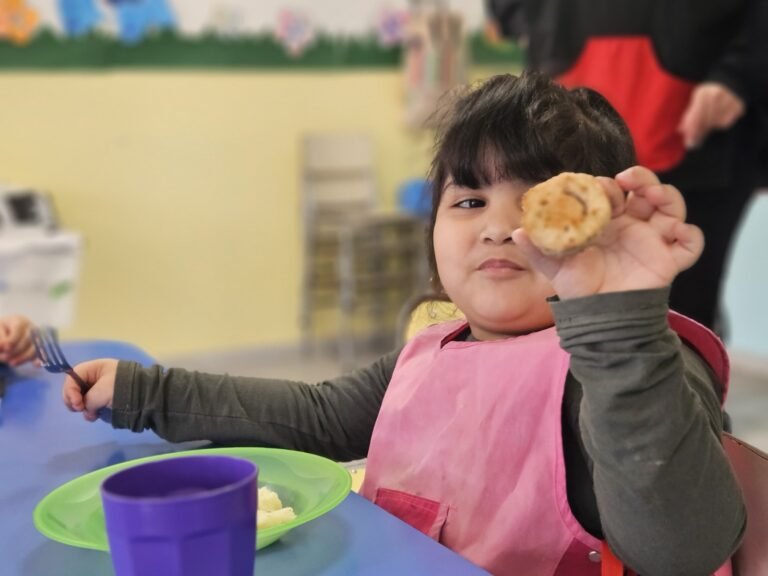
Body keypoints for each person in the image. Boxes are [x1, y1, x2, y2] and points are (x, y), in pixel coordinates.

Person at [62, 73, 745, 576]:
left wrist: (617, 322)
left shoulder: (624, 364)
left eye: (536, 201)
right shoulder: (434, 349)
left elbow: (681, 549)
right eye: (470, 198)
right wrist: (144, 391)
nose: (501, 228)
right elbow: (317, 416)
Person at [487, 0, 768, 334]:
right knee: (551, 307)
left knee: (682, 310)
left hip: (701, 127)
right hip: (565, 117)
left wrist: (739, 73)